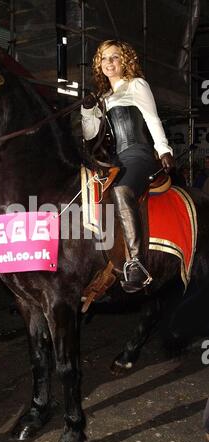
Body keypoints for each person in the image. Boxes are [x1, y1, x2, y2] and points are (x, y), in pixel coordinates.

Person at [81, 39, 174, 293]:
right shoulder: (103, 96)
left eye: (115, 57)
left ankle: (137, 263)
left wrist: (164, 149)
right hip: (114, 158)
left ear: (125, 61)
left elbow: (152, 118)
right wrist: (88, 111)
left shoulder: (136, 84)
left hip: (138, 154)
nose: (109, 63)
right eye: (104, 58)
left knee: (122, 191)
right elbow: (90, 135)